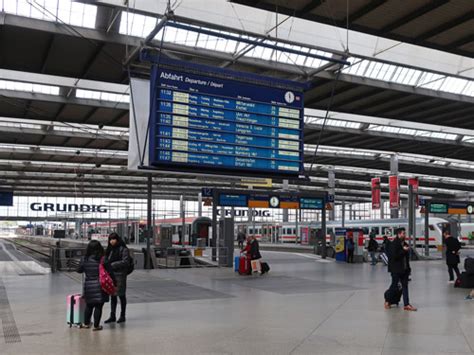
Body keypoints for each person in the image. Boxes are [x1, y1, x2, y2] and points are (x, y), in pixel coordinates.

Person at [76, 240, 114, 331]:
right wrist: (114, 283)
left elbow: (79, 270)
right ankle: (96, 326)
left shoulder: (84, 259)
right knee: (98, 306)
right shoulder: (103, 259)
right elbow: (110, 272)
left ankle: (86, 324)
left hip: (89, 285)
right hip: (101, 285)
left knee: (89, 305)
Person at [385, 228, 417, 311]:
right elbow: (394, 257)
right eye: (403, 233)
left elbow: (406, 259)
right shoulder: (394, 244)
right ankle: (387, 300)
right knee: (394, 286)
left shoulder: (405, 244)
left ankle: (406, 304)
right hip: (396, 269)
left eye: (405, 233)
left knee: (405, 286)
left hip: (404, 269)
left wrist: (409, 269)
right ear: (398, 234)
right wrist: (403, 250)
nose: (405, 235)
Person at [104, 233, 130, 324]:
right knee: (113, 296)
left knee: (121, 295)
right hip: (111, 275)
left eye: (114, 239)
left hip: (120, 275)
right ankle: (112, 315)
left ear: (117, 239)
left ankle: (122, 315)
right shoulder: (110, 249)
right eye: (110, 239)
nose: (112, 241)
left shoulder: (124, 249)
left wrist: (112, 265)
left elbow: (126, 262)